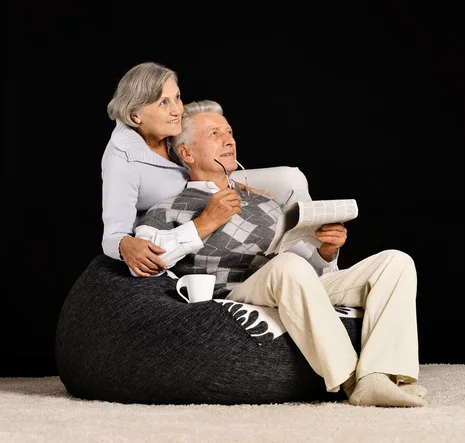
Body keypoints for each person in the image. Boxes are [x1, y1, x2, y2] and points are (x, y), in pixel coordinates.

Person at [130, 99, 428, 408]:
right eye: (214, 133)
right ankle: (351, 379)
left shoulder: (265, 203)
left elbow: (311, 272)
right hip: (231, 296)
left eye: (230, 132)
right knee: (287, 266)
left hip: (287, 283)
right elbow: (149, 257)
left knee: (396, 262)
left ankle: (379, 376)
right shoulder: (169, 207)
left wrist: (326, 252)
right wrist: (205, 222)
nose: (228, 139)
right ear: (187, 153)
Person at [101, 62, 262, 277]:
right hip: (179, 218)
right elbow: (112, 236)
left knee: (290, 179)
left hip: (208, 186)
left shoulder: (167, 127)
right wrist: (125, 245)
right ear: (136, 116)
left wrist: (230, 183)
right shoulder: (123, 162)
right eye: (163, 103)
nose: (178, 110)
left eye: (177, 97)